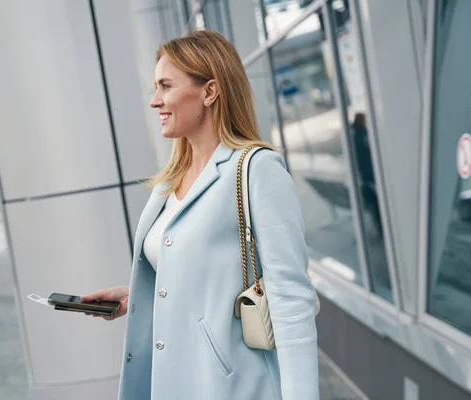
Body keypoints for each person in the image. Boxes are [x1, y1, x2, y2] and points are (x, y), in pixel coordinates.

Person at [82, 30, 319, 400]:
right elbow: (204, 274)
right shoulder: (170, 181)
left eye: (165, 86)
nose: (154, 101)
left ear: (209, 92)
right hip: (172, 382)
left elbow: (291, 298)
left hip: (233, 387)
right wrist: (141, 296)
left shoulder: (257, 170)